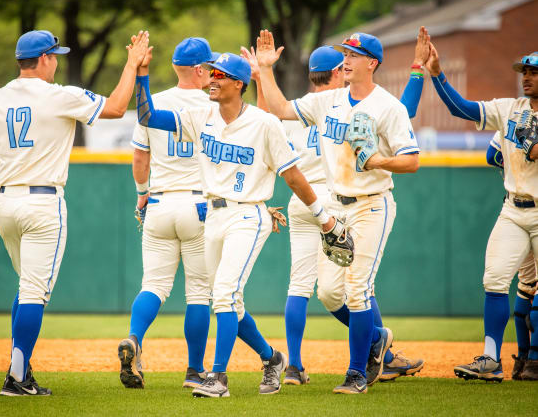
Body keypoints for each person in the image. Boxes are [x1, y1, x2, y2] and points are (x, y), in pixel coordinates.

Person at [0, 29, 150, 395]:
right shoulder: (60, 95)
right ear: (45, 58)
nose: (58, 61)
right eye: (56, 55)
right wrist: (130, 63)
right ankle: (16, 378)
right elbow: (114, 107)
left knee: (25, 287)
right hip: (43, 203)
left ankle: (20, 370)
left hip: (5, 204)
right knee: (33, 292)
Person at [134, 45, 352, 397]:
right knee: (231, 304)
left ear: (238, 84)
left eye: (219, 75)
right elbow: (147, 117)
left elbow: (293, 176)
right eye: (212, 73)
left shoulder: (263, 123)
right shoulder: (201, 116)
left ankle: (217, 378)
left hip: (248, 215)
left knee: (222, 294)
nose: (212, 80)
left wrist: (323, 217)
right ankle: (272, 359)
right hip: (213, 216)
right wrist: (141, 73)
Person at [241, 26, 429, 387]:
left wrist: (377, 162)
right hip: (334, 208)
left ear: (372, 63)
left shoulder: (387, 106)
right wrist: (265, 69)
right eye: (345, 53)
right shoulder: (328, 101)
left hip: (372, 205)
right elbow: (279, 109)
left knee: (357, 289)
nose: (346, 59)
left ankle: (357, 372)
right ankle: (377, 341)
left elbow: (412, 161)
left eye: (354, 55)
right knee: (328, 293)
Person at [427, 47, 538, 381]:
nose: (527, 78)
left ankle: (533, 359)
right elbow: (460, 108)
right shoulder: (510, 108)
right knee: (494, 280)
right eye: (524, 73)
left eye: (533, 73)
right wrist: (437, 74)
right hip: (513, 208)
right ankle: (491, 359)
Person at [119, 37, 217, 389]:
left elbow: (140, 158)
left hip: (159, 202)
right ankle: (194, 370)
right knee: (199, 292)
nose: (212, 72)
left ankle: (134, 338)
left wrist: (142, 195)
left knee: (154, 285)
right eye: (209, 66)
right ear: (198, 69)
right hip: (199, 204)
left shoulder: (153, 102)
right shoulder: (214, 105)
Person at [486, 132, 537, 381]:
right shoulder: (513, 112)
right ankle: (534, 361)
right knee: (529, 287)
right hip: (521, 210)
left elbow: (491, 155)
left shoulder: (514, 115)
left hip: (515, 204)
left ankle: (523, 358)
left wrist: (516, 158)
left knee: (526, 285)